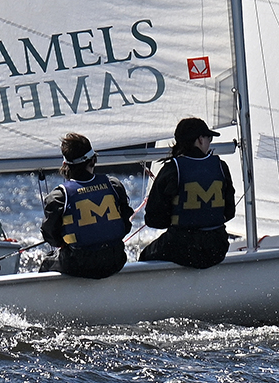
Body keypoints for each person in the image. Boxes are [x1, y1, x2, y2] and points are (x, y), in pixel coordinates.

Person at [141, 117, 237, 269]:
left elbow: (153, 219)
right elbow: (229, 212)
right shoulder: (220, 166)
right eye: (209, 138)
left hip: (182, 249)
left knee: (145, 255)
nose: (209, 142)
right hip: (217, 248)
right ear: (200, 140)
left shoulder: (172, 169)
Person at [39, 133, 134, 279]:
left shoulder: (58, 197)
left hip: (78, 265)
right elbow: (126, 225)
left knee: (47, 262)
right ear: (93, 160)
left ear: (65, 165)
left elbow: (51, 237)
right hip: (115, 260)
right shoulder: (114, 185)